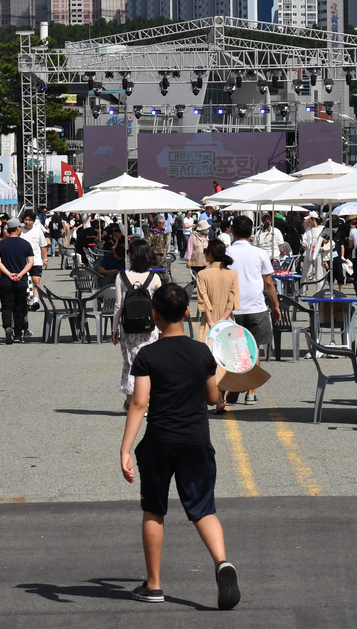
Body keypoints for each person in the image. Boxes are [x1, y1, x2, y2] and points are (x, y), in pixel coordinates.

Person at [119, 283, 240, 610]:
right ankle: (222, 563)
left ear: (154, 316)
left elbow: (139, 404)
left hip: (159, 440)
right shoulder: (202, 352)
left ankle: (154, 584)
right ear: (187, 312)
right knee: (203, 509)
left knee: (154, 509)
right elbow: (213, 398)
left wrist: (125, 449)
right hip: (196, 441)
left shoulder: (148, 355)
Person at [227, 216, 281, 394]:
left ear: (232, 231)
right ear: (251, 233)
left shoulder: (227, 253)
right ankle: (251, 391)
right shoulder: (259, 253)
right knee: (254, 348)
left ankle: (235, 385)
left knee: (234, 348)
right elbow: (269, 282)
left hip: (233, 307)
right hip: (256, 307)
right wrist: (276, 305)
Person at [115, 238, 164, 410]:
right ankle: (147, 401)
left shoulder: (121, 276)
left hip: (127, 328)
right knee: (149, 364)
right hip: (150, 328)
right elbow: (160, 305)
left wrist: (114, 330)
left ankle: (131, 402)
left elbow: (119, 306)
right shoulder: (155, 277)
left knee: (129, 362)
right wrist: (162, 329)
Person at [195, 240, 240, 411]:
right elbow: (232, 300)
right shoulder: (232, 274)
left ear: (211, 254)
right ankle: (222, 395)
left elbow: (203, 300)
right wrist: (223, 319)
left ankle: (218, 398)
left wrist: (212, 321)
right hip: (227, 320)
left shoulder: (202, 275)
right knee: (226, 359)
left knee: (210, 360)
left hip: (210, 320)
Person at [0, 219, 35, 344]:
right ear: (17, 228)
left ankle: (7, 327)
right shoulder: (25, 244)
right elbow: (30, 262)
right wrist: (21, 273)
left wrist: (9, 274)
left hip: (6, 280)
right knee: (20, 307)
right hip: (21, 281)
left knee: (6, 306)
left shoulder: (0, 244)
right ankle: (18, 334)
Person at [22, 210, 49, 299]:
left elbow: (43, 246)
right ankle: (27, 298)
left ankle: (35, 300)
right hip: (23, 261)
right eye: (26, 219)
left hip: (36, 260)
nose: (27, 222)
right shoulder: (20, 231)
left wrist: (45, 259)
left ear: (33, 222)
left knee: (36, 281)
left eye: (29, 220)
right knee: (24, 282)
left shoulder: (38, 231)